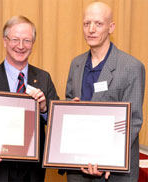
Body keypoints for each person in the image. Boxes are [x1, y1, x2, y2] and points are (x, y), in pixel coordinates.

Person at [0, 16, 59, 182]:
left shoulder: (44, 78)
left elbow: (57, 125)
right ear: (5, 41)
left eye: (27, 40)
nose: (20, 46)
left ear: (33, 43)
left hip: (32, 173)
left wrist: (44, 110)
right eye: (15, 39)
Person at [65, 2, 145, 182]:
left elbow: (133, 121)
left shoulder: (132, 67)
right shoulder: (76, 64)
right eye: (87, 24)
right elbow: (70, 102)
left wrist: (106, 161)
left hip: (114, 171)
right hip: (78, 168)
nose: (91, 29)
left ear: (111, 27)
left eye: (98, 24)